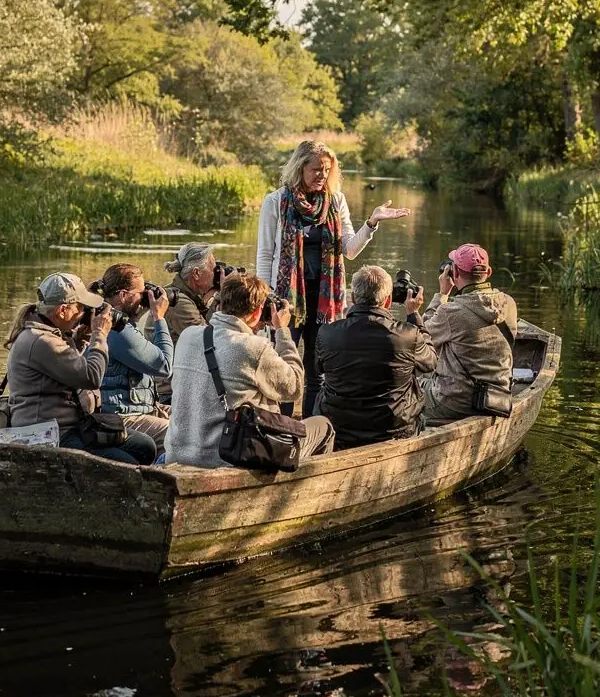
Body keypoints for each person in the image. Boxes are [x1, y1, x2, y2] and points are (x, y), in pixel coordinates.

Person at [256, 139, 411, 414]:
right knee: (283, 368)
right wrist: (266, 300)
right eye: (316, 169)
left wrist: (372, 222)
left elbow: (349, 250)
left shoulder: (335, 201)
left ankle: (311, 431)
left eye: (327, 170)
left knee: (317, 370)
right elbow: (265, 255)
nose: (322, 175)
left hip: (325, 301)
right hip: (287, 300)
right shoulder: (276, 202)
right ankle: (281, 429)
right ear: (300, 168)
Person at [163, 271, 335, 468]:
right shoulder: (254, 348)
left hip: (178, 455)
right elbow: (294, 388)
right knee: (323, 426)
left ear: (221, 303)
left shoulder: (188, 336)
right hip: (228, 459)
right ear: (257, 311)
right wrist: (282, 331)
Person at [5, 271, 156, 465]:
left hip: (69, 426)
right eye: (81, 308)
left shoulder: (49, 332)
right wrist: (99, 335)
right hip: (47, 434)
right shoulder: (42, 341)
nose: (84, 313)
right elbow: (91, 377)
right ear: (62, 311)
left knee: (145, 447)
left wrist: (81, 339)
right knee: (127, 463)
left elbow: (68, 369)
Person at [314, 264, 438, 449]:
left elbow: (318, 368)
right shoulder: (408, 335)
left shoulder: (327, 333)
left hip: (340, 431)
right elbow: (430, 362)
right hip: (394, 431)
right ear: (387, 301)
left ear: (354, 298)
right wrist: (414, 315)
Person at [422, 243, 517, 425]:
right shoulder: (509, 303)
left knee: (410, 385)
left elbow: (423, 339)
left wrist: (442, 294)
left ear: (455, 273)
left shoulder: (451, 312)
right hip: (497, 397)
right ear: (488, 273)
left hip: (455, 403)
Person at [89, 263, 173, 449]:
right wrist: (159, 317)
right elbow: (164, 366)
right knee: (176, 431)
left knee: (195, 418)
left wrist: (137, 315)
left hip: (135, 409)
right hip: (121, 417)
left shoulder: (110, 319)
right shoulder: (117, 330)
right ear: (123, 295)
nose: (144, 297)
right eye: (140, 293)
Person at [144, 243, 220, 403]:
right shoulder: (177, 302)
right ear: (197, 273)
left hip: (178, 387)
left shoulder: (183, 296)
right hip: (171, 394)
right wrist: (225, 297)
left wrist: (215, 296)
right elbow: (213, 341)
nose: (216, 274)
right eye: (213, 268)